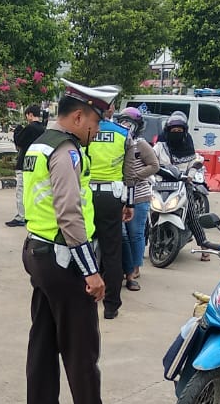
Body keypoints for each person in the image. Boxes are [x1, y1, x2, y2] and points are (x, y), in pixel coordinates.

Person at [22, 80, 139, 404]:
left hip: (37, 251)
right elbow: (69, 213)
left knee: (43, 341)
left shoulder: (40, 143)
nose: (97, 131)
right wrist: (92, 271)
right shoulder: (66, 150)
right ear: (77, 116)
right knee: (81, 346)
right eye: (95, 123)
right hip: (61, 256)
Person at [87, 100, 159, 318]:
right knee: (112, 251)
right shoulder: (122, 134)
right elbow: (128, 175)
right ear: (111, 110)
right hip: (112, 197)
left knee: (83, 246)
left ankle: (84, 296)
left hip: (86, 194)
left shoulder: (85, 131)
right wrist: (128, 203)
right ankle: (111, 306)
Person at [151, 111, 212, 261]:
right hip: (161, 184)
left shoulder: (187, 144)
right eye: (174, 131)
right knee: (149, 212)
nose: (176, 133)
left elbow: (195, 161)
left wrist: (190, 174)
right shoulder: (160, 145)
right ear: (168, 131)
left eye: (180, 131)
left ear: (184, 132)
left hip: (182, 184)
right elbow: (151, 159)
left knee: (191, 214)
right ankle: (146, 244)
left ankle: (204, 246)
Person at [114, 108, 157, 291]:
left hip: (138, 195)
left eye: (129, 123)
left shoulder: (140, 144)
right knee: (122, 235)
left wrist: (133, 177)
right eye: (123, 122)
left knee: (135, 234)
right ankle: (126, 266)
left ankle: (136, 268)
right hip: (120, 195)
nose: (126, 126)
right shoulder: (118, 142)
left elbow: (154, 165)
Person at [7, 105, 46, 226]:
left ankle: (21, 216)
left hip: (24, 162)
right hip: (37, 163)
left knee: (21, 190)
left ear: (29, 114)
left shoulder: (30, 128)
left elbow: (19, 141)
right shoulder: (43, 129)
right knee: (34, 191)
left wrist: (17, 130)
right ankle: (32, 214)